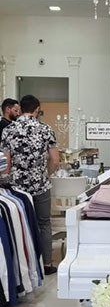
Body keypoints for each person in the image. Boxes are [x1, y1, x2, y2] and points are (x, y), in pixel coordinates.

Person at [1, 93, 60, 275]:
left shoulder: (8, 130)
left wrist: (7, 179)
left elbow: (6, 163)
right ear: (36, 109)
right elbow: (55, 160)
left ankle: (26, 267)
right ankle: (47, 264)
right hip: (40, 185)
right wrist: (46, 174)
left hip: (17, 187)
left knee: (21, 223)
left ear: (20, 108)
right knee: (44, 223)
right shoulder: (46, 129)